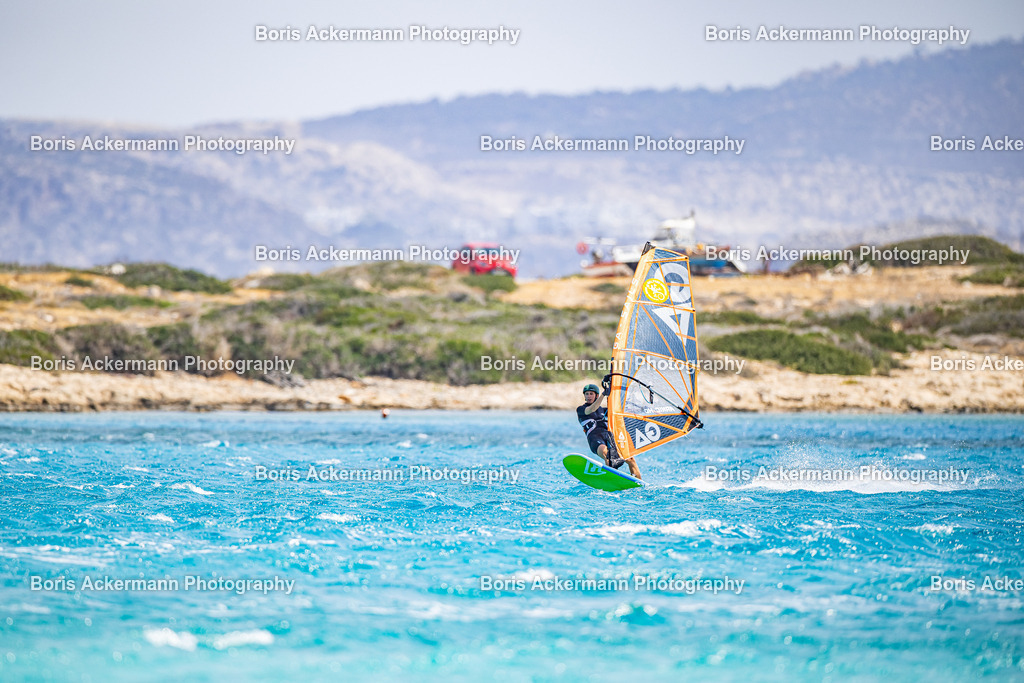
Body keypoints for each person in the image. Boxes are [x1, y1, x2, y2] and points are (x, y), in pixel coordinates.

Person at [576, 379, 642, 480]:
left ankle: (639, 482)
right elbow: (591, 409)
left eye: (591, 394)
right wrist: (603, 394)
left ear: (596, 395)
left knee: (630, 459)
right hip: (595, 439)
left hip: (609, 437)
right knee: (608, 456)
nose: (588, 396)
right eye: (587, 394)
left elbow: (621, 411)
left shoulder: (605, 410)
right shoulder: (581, 409)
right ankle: (612, 480)